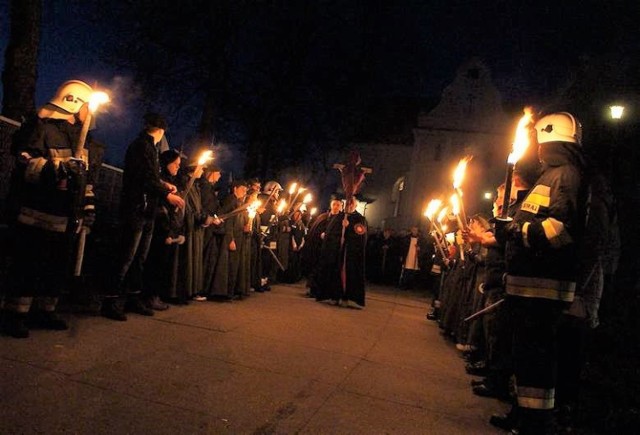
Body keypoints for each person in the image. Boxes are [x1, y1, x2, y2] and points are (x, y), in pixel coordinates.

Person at [494, 112, 588, 434]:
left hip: (543, 289)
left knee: (536, 358)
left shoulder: (567, 176)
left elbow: (560, 230)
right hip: (528, 287)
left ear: (550, 141)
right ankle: (520, 414)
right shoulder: (549, 176)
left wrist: (516, 232)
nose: (533, 148)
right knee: (524, 356)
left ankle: (534, 423)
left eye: (537, 141)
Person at [2, 80, 94, 338]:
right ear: (74, 103)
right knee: (27, 265)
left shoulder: (80, 139)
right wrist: (59, 170)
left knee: (55, 267)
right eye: (88, 106)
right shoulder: (43, 128)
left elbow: (85, 180)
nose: (91, 113)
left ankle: (44, 310)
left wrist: (87, 209)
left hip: (64, 218)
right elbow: (26, 164)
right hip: (36, 215)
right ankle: (14, 314)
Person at [101, 113, 185, 321]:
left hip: (147, 210)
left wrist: (163, 185)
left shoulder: (152, 150)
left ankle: (132, 296)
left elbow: (151, 176)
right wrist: (167, 194)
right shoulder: (142, 147)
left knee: (139, 258)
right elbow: (143, 178)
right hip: (136, 209)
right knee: (126, 256)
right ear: (160, 131)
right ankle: (111, 300)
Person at [144, 149, 185, 308]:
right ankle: (150, 296)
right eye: (175, 164)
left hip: (169, 228)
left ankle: (155, 295)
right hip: (159, 228)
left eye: (179, 164)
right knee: (154, 263)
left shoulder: (174, 182)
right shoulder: (160, 182)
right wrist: (166, 230)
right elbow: (160, 206)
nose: (177, 167)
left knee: (162, 265)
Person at [304, 198, 342, 297]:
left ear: (341, 206)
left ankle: (324, 291)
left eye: (338, 205)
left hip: (331, 250)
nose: (336, 206)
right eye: (334, 204)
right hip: (318, 248)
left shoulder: (341, 219)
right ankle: (313, 290)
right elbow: (314, 230)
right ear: (331, 205)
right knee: (316, 269)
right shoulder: (323, 217)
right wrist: (320, 234)